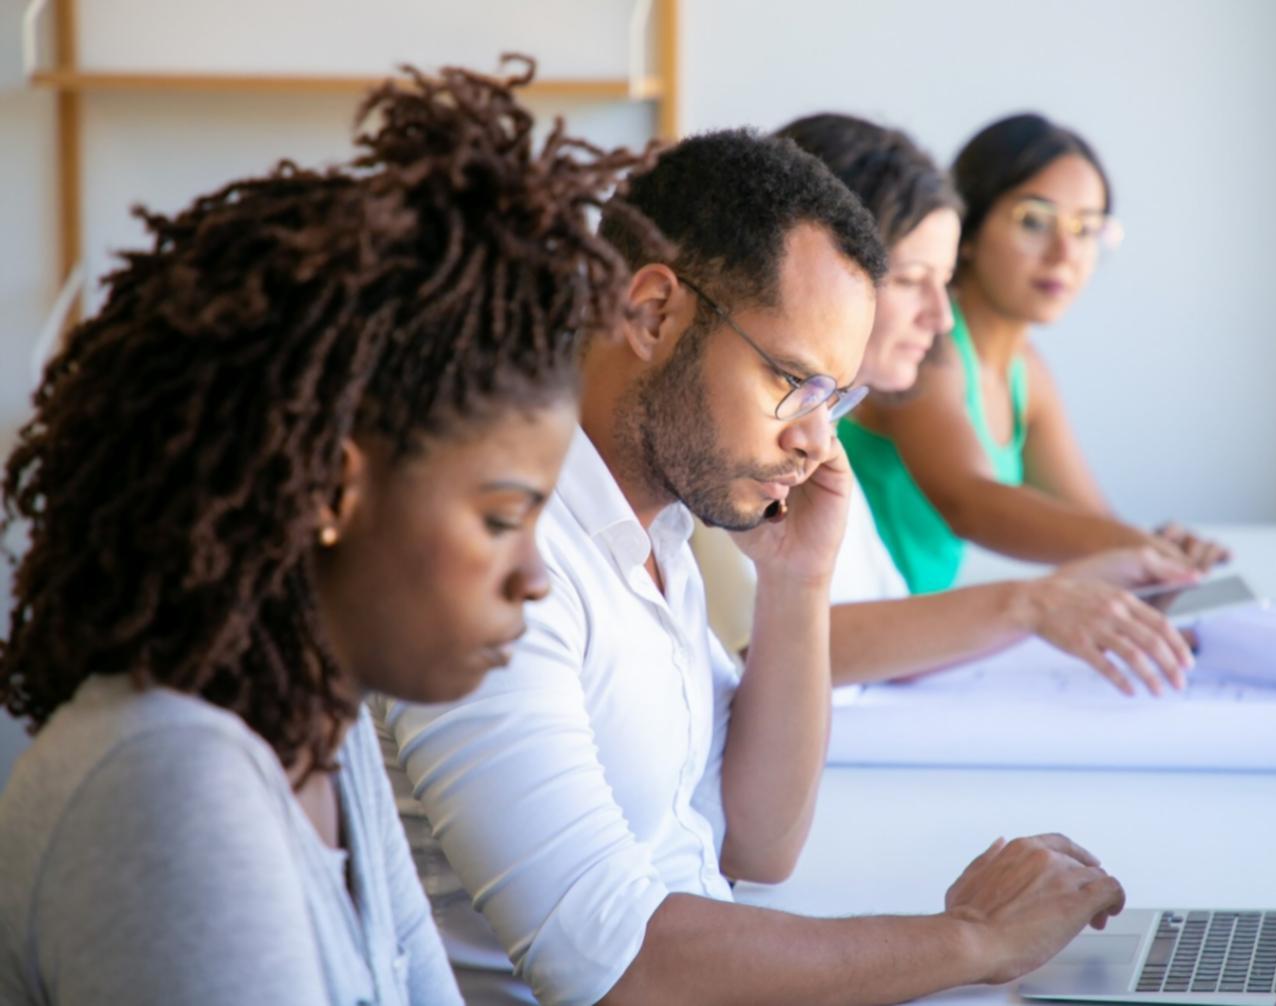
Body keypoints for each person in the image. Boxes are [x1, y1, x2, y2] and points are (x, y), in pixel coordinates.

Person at [375, 129, 1126, 1006]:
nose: (815, 441)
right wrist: (971, 941)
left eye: (835, 401)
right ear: (653, 314)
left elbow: (757, 847)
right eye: (793, 383)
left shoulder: (654, 529)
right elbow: (612, 963)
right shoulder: (501, 564)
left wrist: (797, 581)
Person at [0, 62, 643, 1006]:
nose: (535, 576)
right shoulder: (171, 788)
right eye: (502, 517)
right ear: (331, 489)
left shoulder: (320, 740)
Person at [845, 112, 1230, 596]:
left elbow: (1091, 524)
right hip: (864, 642)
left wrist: (1155, 553)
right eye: (1034, 221)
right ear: (970, 227)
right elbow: (969, 502)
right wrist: (1138, 551)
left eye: (1086, 229)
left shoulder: (1026, 371)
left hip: (913, 653)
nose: (1065, 253)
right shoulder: (922, 346)